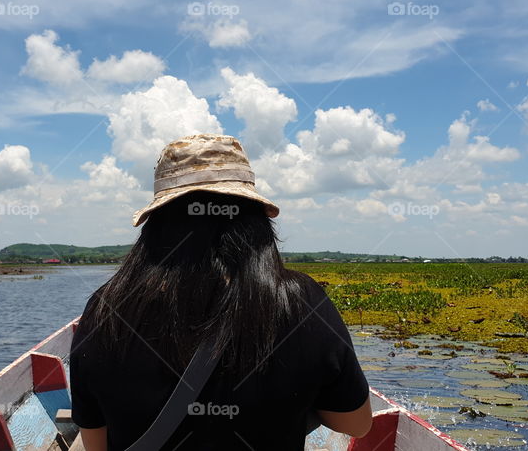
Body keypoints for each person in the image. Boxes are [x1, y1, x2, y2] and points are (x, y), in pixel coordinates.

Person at [70, 134, 372, 450]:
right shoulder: (301, 301)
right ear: (255, 220)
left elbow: (95, 444)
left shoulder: (107, 309)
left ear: (156, 223)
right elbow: (356, 424)